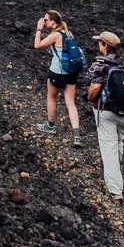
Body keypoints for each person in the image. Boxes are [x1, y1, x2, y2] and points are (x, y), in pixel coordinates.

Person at [85, 32, 124, 198]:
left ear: (104, 45)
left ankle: (115, 190)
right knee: (118, 142)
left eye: (99, 42)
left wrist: (90, 98)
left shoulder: (100, 63)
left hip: (106, 111)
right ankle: (116, 173)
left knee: (108, 146)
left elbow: (95, 87)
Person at [33, 10, 83, 146]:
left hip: (57, 72)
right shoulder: (68, 33)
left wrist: (39, 29)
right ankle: (77, 136)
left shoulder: (55, 35)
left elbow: (37, 45)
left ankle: (50, 126)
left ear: (53, 22)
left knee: (52, 98)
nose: (44, 21)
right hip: (71, 72)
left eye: (46, 20)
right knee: (70, 103)